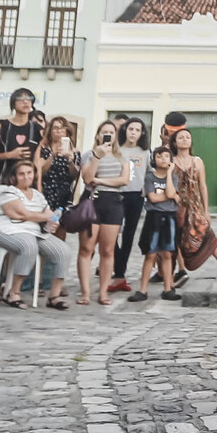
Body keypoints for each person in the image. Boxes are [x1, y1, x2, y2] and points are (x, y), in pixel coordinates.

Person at [0, 160, 72, 308]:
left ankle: (54, 296)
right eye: (21, 174)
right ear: (14, 177)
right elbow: (22, 215)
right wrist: (46, 217)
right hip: (4, 229)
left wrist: (52, 222)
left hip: (32, 232)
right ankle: (14, 293)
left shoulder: (37, 195)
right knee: (29, 246)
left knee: (64, 251)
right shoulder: (9, 192)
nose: (26, 177)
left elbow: (49, 213)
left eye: (29, 173)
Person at [170, 125, 217, 282]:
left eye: (187, 137)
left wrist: (206, 209)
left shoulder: (197, 161)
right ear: (174, 142)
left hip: (195, 207)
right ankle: (181, 270)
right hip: (177, 207)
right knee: (178, 239)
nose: (184, 139)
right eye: (180, 137)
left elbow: (202, 185)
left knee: (209, 235)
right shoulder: (171, 162)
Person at [74, 122, 129, 305]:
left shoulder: (121, 157)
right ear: (98, 135)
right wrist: (98, 155)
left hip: (113, 203)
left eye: (111, 132)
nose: (108, 135)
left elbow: (124, 180)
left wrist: (100, 180)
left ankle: (103, 292)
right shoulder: (89, 155)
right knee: (86, 248)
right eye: (104, 132)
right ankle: (85, 292)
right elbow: (87, 178)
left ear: (116, 136)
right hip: (92, 201)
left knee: (107, 249)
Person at [130, 144, 181, 303]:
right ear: (154, 159)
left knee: (167, 253)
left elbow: (173, 193)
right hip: (154, 217)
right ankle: (142, 290)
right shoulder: (150, 177)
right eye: (159, 156)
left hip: (169, 217)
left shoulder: (173, 177)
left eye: (166, 156)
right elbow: (153, 198)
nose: (163, 159)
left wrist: (170, 175)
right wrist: (171, 196)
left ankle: (168, 288)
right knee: (150, 254)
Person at [110, 119, 150, 291]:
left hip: (136, 196)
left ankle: (120, 273)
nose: (133, 132)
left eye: (137, 129)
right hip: (118, 194)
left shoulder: (146, 152)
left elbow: (150, 173)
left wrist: (146, 190)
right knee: (112, 234)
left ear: (142, 133)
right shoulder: (117, 150)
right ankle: (118, 265)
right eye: (131, 129)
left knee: (129, 234)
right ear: (125, 130)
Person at [0, 88, 46, 185]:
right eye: (21, 99)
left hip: (27, 182)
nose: (25, 102)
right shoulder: (2, 126)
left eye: (29, 99)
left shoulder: (36, 129)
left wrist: (38, 185)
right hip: (4, 178)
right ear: (13, 103)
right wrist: (10, 155)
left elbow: (38, 160)